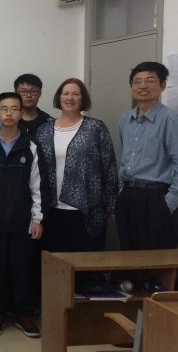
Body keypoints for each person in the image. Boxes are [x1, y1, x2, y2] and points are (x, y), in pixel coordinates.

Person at [0, 92, 43, 338]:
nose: (10, 113)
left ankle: (25, 314)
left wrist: (37, 219)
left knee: (22, 268)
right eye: (4, 109)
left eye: (15, 109)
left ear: (21, 114)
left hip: (21, 220)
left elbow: (37, 186)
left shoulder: (31, 146)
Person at [116, 61, 178, 250]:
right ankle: (132, 281)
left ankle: (155, 282)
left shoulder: (172, 120)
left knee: (157, 259)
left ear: (162, 86)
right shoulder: (125, 120)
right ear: (131, 87)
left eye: (150, 80)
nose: (143, 86)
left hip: (157, 198)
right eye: (137, 81)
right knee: (129, 253)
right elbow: (123, 160)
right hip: (128, 196)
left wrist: (169, 203)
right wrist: (121, 192)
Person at [35, 78, 118, 252]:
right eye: (66, 93)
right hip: (51, 209)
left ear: (82, 99)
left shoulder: (96, 127)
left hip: (87, 208)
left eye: (75, 94)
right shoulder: (43, 130)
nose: (70, 98)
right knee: (56, 263)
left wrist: (112, 204)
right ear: (59, 98)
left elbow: (109, 167)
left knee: (85, 263)